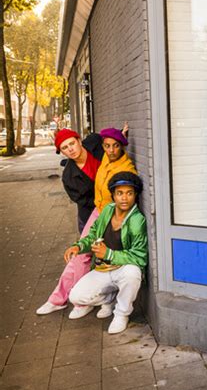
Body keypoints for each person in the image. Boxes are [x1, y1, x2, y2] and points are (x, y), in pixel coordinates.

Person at [36, 126, 137, 316]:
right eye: (65, 148)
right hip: (93, 212)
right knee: (82, 257)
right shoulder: (69, 176)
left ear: (79, 140)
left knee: (110, 256)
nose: (70, 149)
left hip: (114, 207)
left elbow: (111, 142)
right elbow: (82, 201)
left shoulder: (95, 145)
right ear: (62, 152)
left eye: (72, 143)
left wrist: (120, 136)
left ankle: (100, 299)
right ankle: (63, 299)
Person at [64, 172, 147, 334]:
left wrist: (108, 253)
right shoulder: (108, 210)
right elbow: (94, 234)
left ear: (135, 195)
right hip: (103, 269)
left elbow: (139, 256)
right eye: (120, 193)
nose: (124, 198)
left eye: (129, 193)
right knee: (75, 297)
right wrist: (78, 247)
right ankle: (110, 298)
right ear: (113, 195)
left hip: (123, 269)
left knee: (133, 273)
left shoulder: (137, 220)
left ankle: (121, 314)